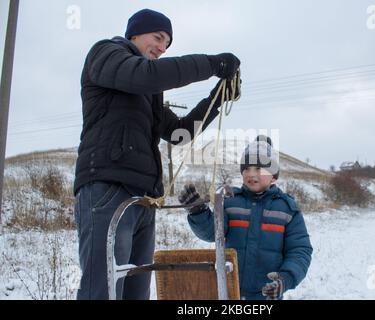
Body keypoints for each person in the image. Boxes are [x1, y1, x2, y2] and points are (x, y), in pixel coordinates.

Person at [73, 8, 240, 300]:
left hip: (143, 200)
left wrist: (218, 97)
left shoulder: (146, 91)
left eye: (167, 44)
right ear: (135, 33)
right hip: (107, 190)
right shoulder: (105, 54)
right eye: (158, 37)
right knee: (103, 290)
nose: (162, 48)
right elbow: (147, 76)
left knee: (136, 293)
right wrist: (214, 64)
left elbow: (180, 132)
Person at [179, 135, 313, 300]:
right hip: (228, 291)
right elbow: (212, 234)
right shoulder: (231, 201)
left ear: (274, 176)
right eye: (247, 168)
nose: (251, 173)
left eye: (259, 169)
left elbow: (300, 251)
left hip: (265, 295)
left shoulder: (286, 209)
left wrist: (285, 279)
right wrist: (198, 212)